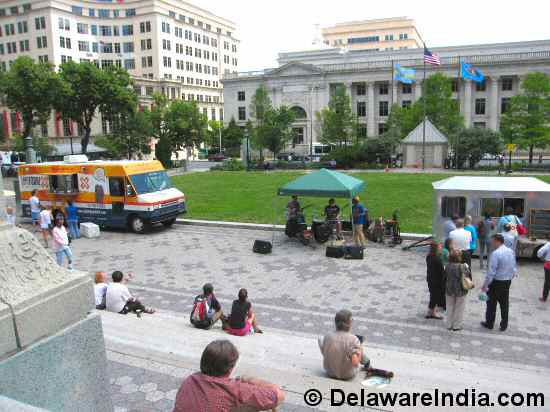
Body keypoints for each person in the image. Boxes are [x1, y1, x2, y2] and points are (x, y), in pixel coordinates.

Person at [172, 340, 284, 412]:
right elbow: (279, 395)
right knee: (252, 407)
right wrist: (249, 379)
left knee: (243, 407)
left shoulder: (190, 380)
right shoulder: (233, 388)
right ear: (230, 368)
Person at [318, 309, 369, 380]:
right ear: (350, 323)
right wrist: (360, 347)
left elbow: (324, 350)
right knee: (356, 349)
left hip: (329, 372)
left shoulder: (327, 336)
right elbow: (355, 362)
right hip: (347, 375)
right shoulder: (354, 339)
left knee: (324, 341)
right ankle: (367, 362)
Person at [481, 234, 517, 332]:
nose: (491, 243)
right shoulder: (510, 251)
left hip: (496, 282)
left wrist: (485, 285)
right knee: (504, 303)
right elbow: (513, 266)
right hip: (507, 282)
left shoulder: (496, 253)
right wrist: (511, 276)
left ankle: (489, 323)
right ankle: (504, 324)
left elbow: (491, 272)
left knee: (491, 304)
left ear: (497, 241)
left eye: (492, 241)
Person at [445, 250, 471, 332]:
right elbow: (468, 275)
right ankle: (456, 325)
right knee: (459, 307)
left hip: (449, 289)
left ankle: (449, 324)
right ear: (459, 257)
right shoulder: (463, 266)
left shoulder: (447, 266)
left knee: (449, 307)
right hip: (460, 289)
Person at [426, 242, 446, 319]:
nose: (441, 248)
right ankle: (432, 312)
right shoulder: (437, 259)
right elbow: (442, 271)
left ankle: (431, 311)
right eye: (440, 246)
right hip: (437, 281)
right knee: (435, 296)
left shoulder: (429, 256)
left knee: (433, 295)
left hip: (430, 279)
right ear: (436, 248)